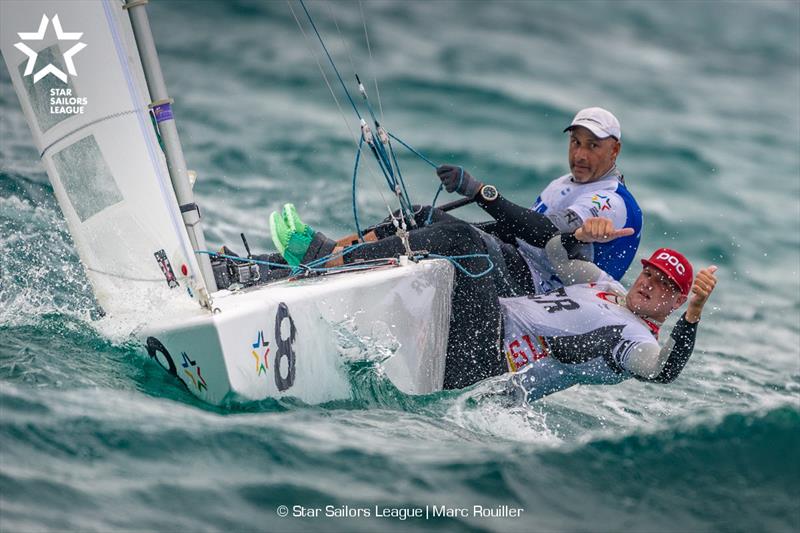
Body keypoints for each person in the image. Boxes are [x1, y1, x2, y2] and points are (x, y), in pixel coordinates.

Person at [495, 216, 718, 401]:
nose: (648, 283)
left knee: (464, 241)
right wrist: (579, 236)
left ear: (678, 302)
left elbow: (661, 371)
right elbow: (557, 256)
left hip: (494, 359)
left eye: (663, 283)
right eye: (648, 273)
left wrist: (693, 313)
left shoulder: (637, 339)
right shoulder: (607, 285)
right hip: (492, 313)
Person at [436, 106, 642, 294]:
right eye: (575, 142)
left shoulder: (611, 200)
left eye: (593, 146)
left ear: (614, 150)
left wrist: (479, 192)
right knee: (429, 218)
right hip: (520, 266)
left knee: (459, 239)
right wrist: (461, 226)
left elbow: (547, 232)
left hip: (546, 292)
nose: (580, 155)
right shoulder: (562, 183)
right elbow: (517, 233)